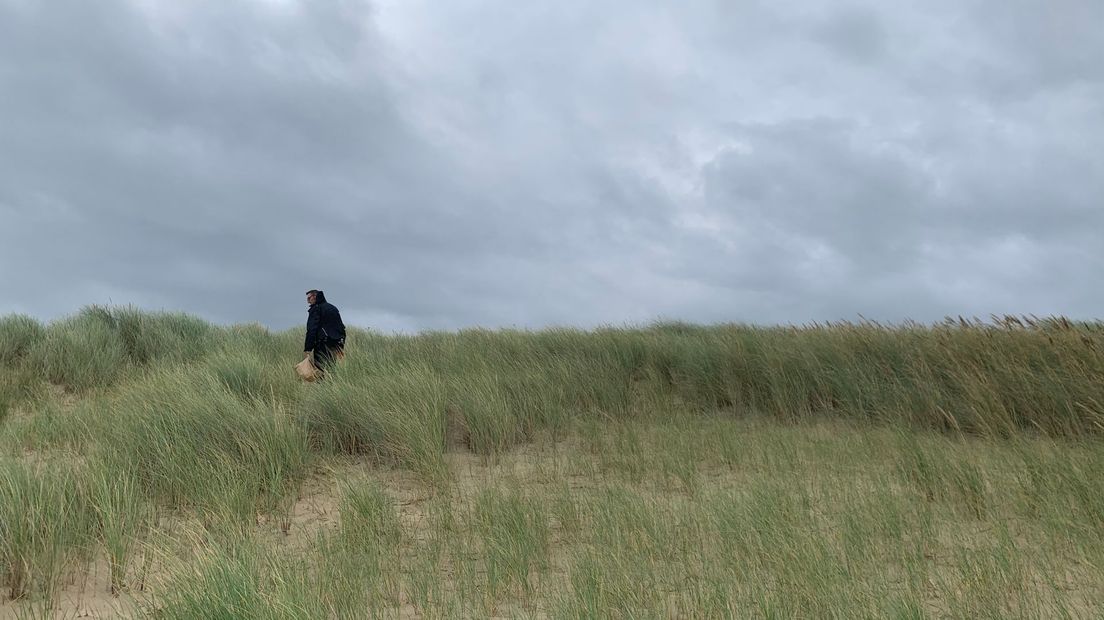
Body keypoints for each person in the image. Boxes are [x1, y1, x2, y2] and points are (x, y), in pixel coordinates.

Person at [304, 289, 346, 374]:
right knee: (331, 369)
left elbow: (312, 329)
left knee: (320, 371)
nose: (308, 301)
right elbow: (341, 327)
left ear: (314, 297)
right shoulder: (332, 308)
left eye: (309, 298)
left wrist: (308, 348)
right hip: (335, 344)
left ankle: (322, 386)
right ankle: (332, 386)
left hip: (322, 344)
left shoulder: (316, 309)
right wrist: (341, 344)